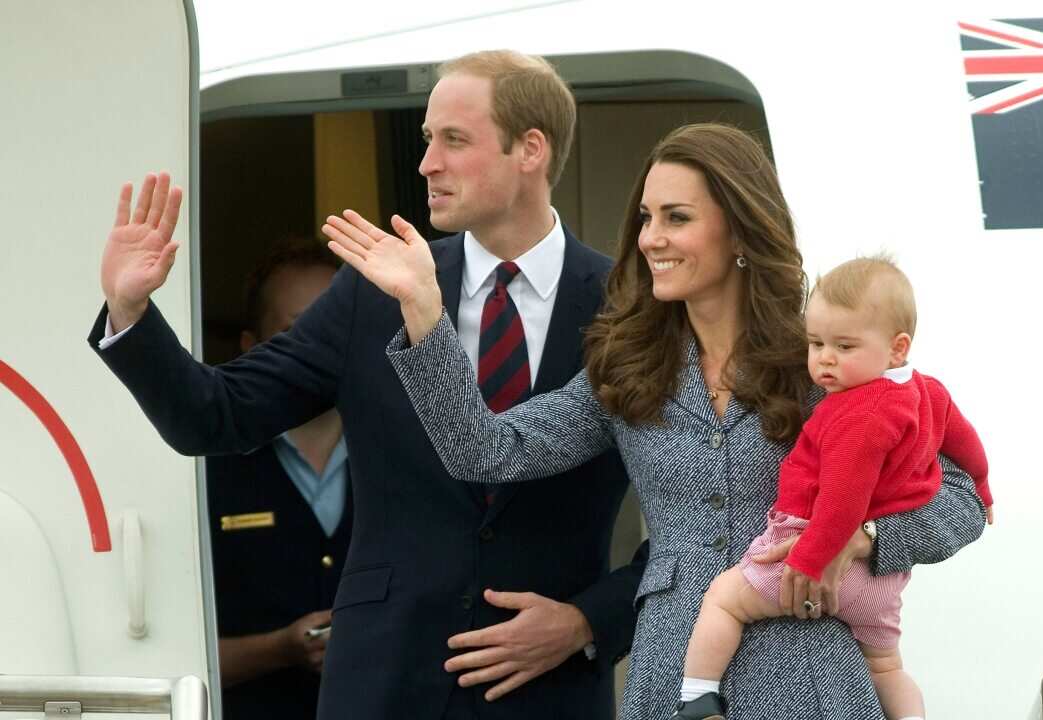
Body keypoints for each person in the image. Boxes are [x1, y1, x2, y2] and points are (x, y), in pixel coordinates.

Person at [325, 122, 988, 719]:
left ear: (738, 230)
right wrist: (422, 311)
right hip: (673, 678)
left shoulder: (826, 357)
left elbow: (960, 501)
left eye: (676, 217)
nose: (651, 239)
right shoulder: (629, 366)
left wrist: (863, 538)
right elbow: (487, 451)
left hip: (811, 673)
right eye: (646, 217)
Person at [89, 50, 647, 720]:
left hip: (550, 695)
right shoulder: (370, 294)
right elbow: (214, 417)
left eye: (454, 140)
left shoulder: (630, 309)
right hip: (383, 686)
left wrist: (587, 623)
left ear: (529, 150)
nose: (426, 164)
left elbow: (699, 526)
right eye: (424, 140)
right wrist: (131, 313)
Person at [673, 256, 994, 720]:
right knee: (885, 667)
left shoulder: (856, 414)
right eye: (816, 342)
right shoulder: (928, 391)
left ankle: (698, 696)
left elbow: (844, 500)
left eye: (844, 346)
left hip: (810, 552)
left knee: (724, 600)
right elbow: (964, 441)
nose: (825, 359)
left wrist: (807, 561)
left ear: (897, 348)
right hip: (883, 582)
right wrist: (983, 486)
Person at [208, 242, 350, 720]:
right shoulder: (205, 471)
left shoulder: (406, 455)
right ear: (250, 347)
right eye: (293, 333)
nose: (318, 352)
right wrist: (280, 649)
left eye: (334, 331)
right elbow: (169, 656)